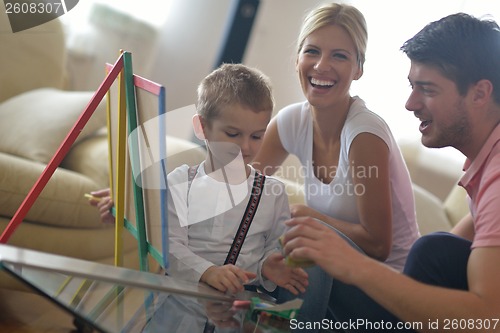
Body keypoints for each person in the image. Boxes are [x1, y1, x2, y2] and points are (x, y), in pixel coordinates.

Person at [282, 12, 500, 332]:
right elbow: (463, 239)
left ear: (480, 93)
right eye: (412, 87)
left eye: (427, 89)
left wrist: (354, 265)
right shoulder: (484, 169)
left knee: (430, 252)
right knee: (431, 252)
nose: (410, 104)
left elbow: (488, 318)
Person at [251, 2, 420, 326]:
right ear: (297, 58)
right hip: (336, 284)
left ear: (358, 68)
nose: (322, 65)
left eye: (340, 56)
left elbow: (378, 246)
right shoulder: (290, 122)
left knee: (307, 234)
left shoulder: (364, 133)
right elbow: (240, 195)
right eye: (312, 51)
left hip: (389, 296)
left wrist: (312, 217)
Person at [90, 64, 308, 297]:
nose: (245, 147)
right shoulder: (180, 182)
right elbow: (169, 246)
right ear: (201, 127)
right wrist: (208, 272)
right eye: (233, 134)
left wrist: (267, 267)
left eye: (257, 136)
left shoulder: (273, 193)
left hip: (234, 310)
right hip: (178, 302)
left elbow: (271, 250)